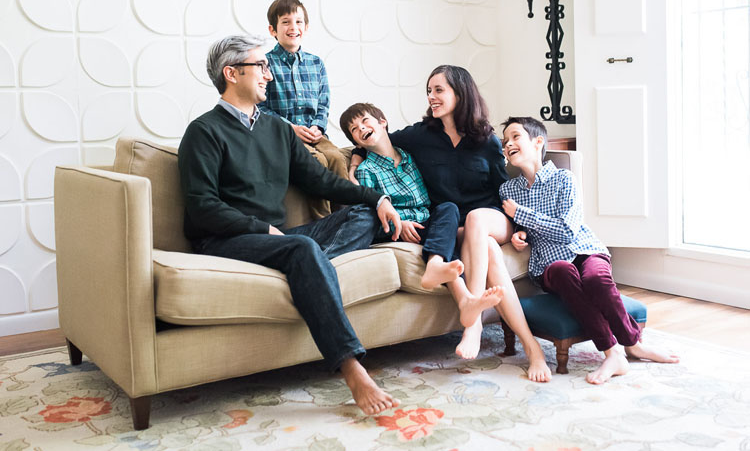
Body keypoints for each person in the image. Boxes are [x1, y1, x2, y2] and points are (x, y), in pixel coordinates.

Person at [178, 34, 403, 415]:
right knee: (301, 248)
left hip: (279, 241)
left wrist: (376, 198)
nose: (269, 75)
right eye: (260, 67)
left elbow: (321, 182)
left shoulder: (277, 129)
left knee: (362, 217)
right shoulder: (204, 132)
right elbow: (201, 208)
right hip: (225, 241)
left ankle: (309, 272)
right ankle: (351, 368)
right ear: (231, 73)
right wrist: (259, 228)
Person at [349, 66, 551, 382]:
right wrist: (353, 162)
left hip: (494, 218)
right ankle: (532, 348)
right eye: (429, 91)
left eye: (439, 90)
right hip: (455, 226)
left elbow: (503, 189)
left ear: (460, 91)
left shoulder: (487, 140)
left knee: (477, 220)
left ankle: (472, 323)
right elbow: (374, 142)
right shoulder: (420, 136)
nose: (431, 97)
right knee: (484, 246)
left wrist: (521, 226)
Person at [499, 116, 680, 384]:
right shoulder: (508, 190)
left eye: (515, 137)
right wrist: (519, 234)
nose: (508, 144)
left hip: (585, 248)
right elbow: (517, 227)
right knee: (563, 272)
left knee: (596, 278)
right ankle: (612, 351)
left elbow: (567, 230)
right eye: (505, 141)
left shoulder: (564, 179)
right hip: (550, 264)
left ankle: (633, 344)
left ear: (538, 142)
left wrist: (523, 215)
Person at [340, 102, 504, 327]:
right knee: (444, 238)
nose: (361, 128)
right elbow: (370, 211)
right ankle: (451, 282)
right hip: (396, 225)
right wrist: (401, 221)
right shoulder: (366, 170)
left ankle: (457, 289)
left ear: (382, 122)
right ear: (355, 141)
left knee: (448, 209)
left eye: (364, 121)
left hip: (425, 218)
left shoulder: (409, 156)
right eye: (354, 130)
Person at [258, 0, 347, 218]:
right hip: (286, 136)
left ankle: (348, 216)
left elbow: (323, 102)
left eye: (298, 22)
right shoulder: (265, 64)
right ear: (273, 30)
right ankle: (325, 222)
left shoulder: (316, 63)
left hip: (315, 133)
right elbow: (261, 108)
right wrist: (291, 129)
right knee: (316, 161)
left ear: (305, 28)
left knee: (335, 157)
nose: (293, 27)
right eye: (286, 22)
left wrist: (318, 126)